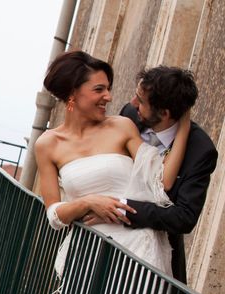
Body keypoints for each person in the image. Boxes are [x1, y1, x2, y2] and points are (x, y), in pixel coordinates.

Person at [35, 51, 190, 276]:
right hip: (87, 254)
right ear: (73, 93)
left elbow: (162, 181)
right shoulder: (47, 144)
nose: (108, 96)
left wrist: (184, 122)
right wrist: (88, 202)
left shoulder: (122, 126)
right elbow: (54, 215)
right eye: (99, 89)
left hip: (138, 252)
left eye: (108, 88)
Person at [113, 67, 218, 283]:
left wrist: (124, 207)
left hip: (148, 265)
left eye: (141, 101)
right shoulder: (129, 116)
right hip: (102, 239)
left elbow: (185, 217)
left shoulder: (200, 150)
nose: (133, 103)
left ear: (165, 113)